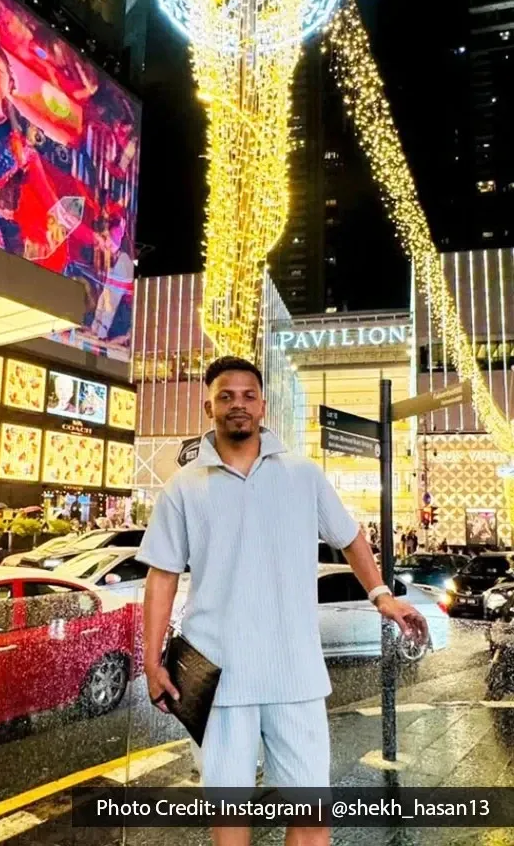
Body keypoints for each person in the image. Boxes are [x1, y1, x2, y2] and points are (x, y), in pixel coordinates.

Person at [136, 356, 428, 846]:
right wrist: (151, 662)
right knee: (230, 820)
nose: (238, 404)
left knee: (312, 818)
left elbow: (350, 537)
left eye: (248, 396)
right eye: (226, 396)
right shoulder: (182, 488)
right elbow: (161, 576)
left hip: (295, 673)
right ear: (209, 407)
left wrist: (382, 595)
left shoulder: (302, 474)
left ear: (263, 406)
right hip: (217, 676)